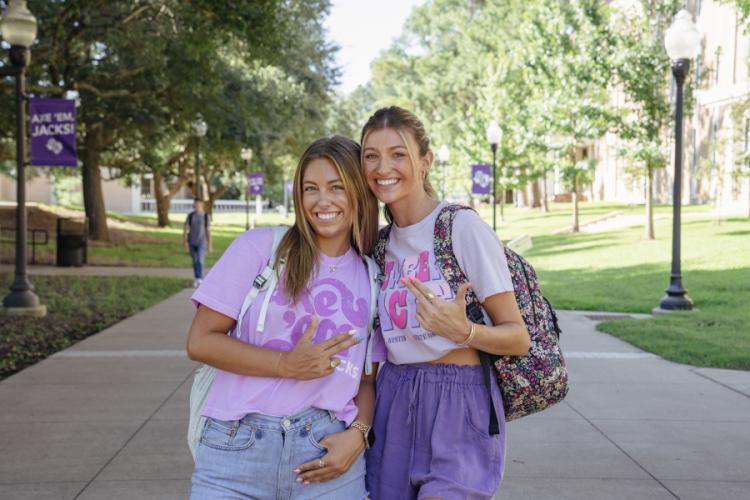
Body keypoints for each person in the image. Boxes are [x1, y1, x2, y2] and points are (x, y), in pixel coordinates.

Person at [186, 136, 381, 499]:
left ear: (358, 192)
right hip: (236, 448)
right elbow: (200, 341)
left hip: (326, 452)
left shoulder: (373, 276)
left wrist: (358, 435)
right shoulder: (258, 248)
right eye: (311, 188)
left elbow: (366, 381)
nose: (322, 201)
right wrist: (285, 364)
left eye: (336, 187)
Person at [360, 106, 532, 500]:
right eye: (372, 155)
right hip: (395, 396)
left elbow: (517, 337)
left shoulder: (461, 228)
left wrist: (465, 331)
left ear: (425, 161)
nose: (383, 166)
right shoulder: (379, 244)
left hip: (459, 400)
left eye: (398, 153)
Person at [183, 199, 212, 288]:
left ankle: (200, 278)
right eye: (195, 204)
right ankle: (197, 278)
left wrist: (210, 245)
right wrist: (185, 242)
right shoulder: (191, 216)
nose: (197, 205)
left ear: (202, 205)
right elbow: (186, 229)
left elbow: (208, 231)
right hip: (192, 242)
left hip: (202, 242)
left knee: (200, 260)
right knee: (195, 261)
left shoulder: (206, 216)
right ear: (194, 205)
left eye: (199, 204)